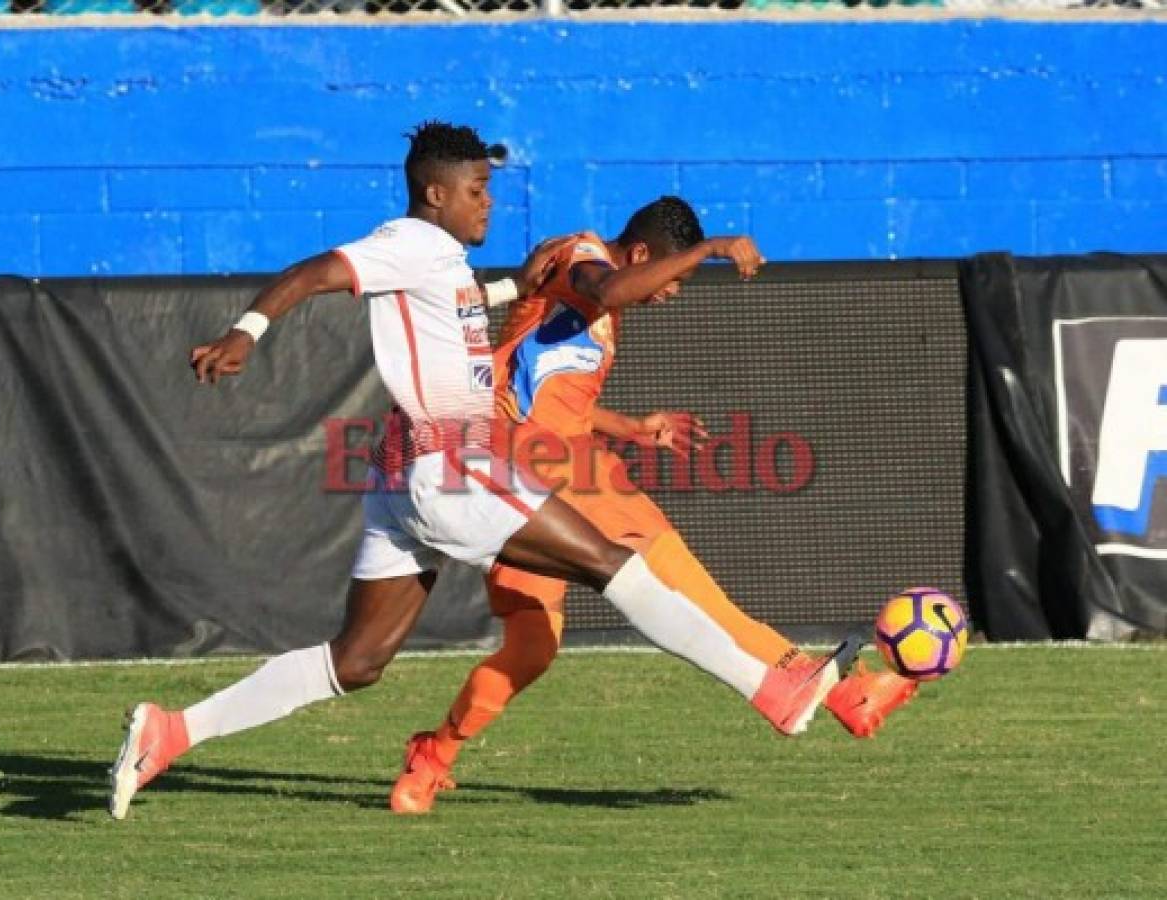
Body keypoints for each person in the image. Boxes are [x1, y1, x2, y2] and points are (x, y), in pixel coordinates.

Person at [109, 121, 854, 821]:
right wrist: (245, 333)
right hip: (451, 462)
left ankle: (172, 731)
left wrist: (514, 292)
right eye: (476, 190)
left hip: (402, 471)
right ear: (435, 193)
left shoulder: (441, 262)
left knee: (358, 660)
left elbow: (455, 308)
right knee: (611, 562)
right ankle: (770, 690)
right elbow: (314, 272)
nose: (488, 204)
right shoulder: (405, 241)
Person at [388, 198, 919, 813]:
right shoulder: (583, 256)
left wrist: (633, 428)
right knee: (672, 568)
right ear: (642, 254)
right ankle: (805, 684)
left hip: (538, 468)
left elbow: (554, 398)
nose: (673, 293)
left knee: (531, 648)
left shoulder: (595, 305)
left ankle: (432, 757)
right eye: (675, 277)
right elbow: (606, 288)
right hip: (531, 465)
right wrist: (710, 248)